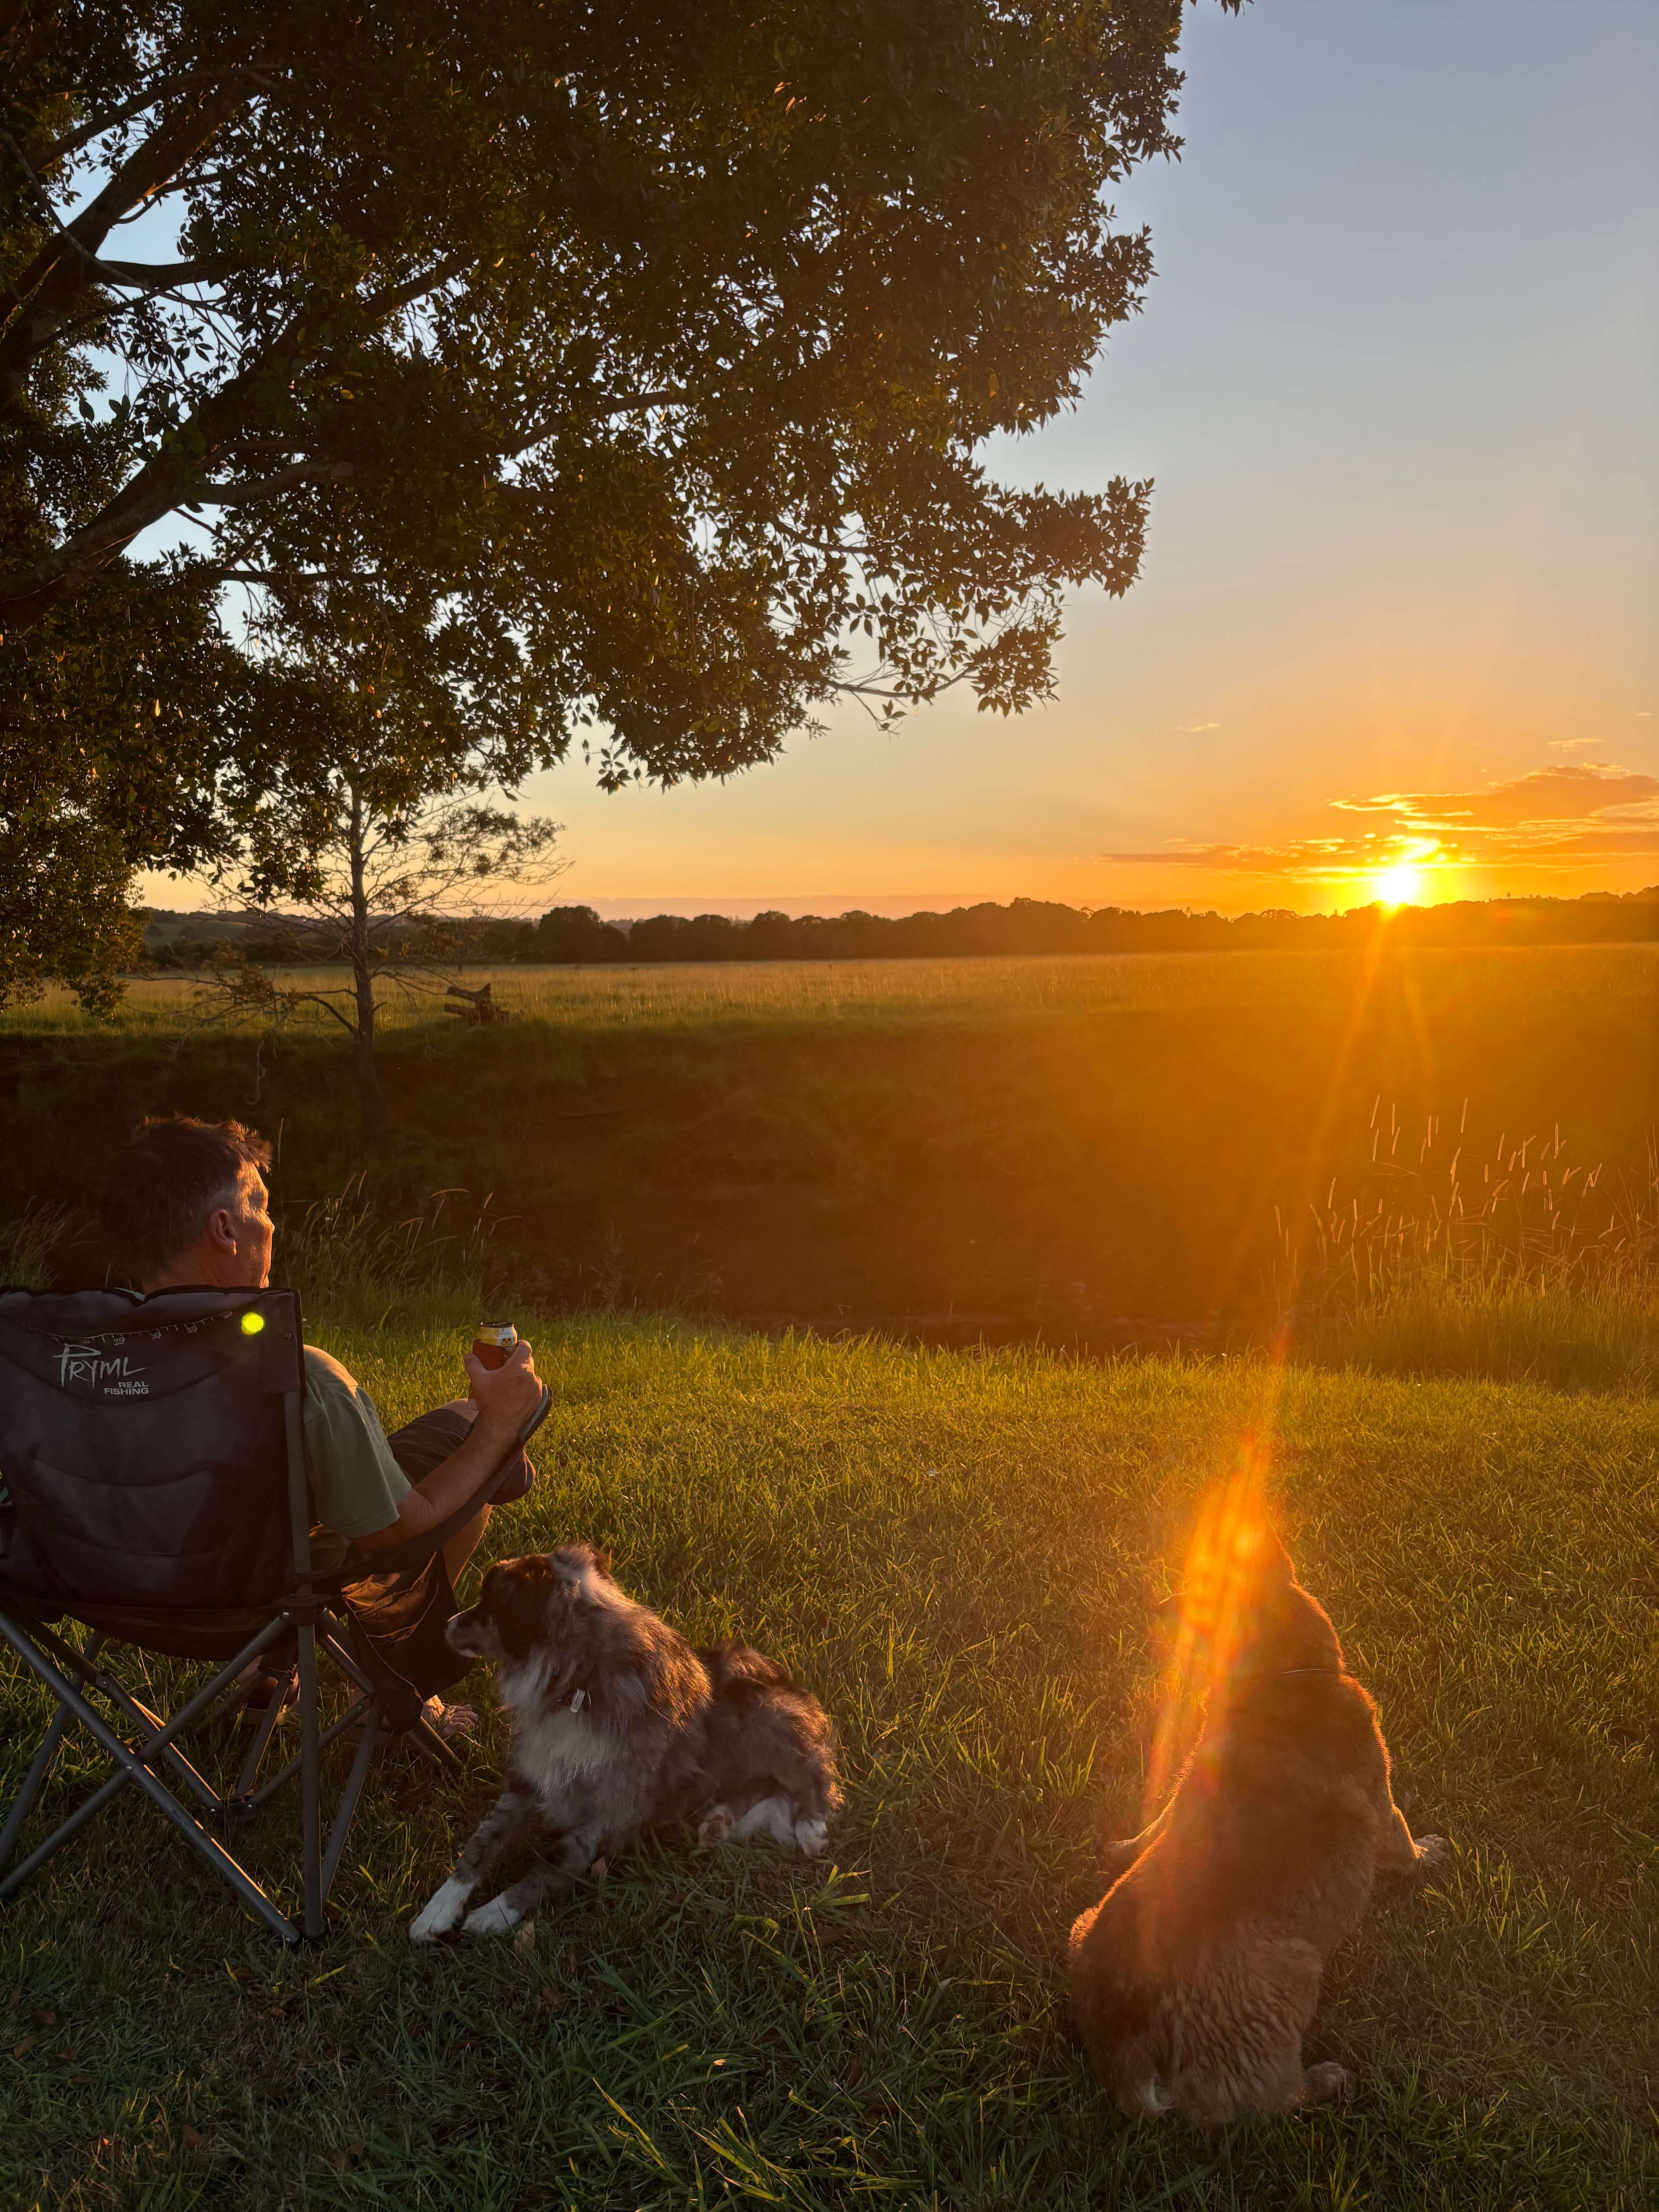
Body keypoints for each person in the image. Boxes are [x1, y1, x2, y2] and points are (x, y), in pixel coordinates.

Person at [98, 1116, 544, 1729]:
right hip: (262, 1599)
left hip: (116, 1598)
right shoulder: (297, 1377)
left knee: (294, 1503)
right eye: (261, 1205)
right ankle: (393, 1686)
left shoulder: (66, 1368)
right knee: (470, 1434)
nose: (273, 1225)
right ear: (225, 1230)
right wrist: (500, 1427)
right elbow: (398, 1532)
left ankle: (267, 1676)